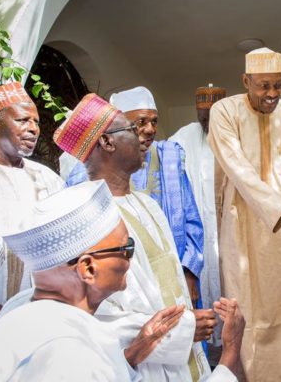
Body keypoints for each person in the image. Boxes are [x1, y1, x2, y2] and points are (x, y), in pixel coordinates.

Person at [0, 180, 246, 381]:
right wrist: (230, 354)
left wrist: (131, 357)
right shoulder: (72, 355)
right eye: (126, 248)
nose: (133, 259)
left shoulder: (17, 309)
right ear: (87, 268)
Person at [54, 93, 228, 381]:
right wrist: (181, 330)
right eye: (132, 129)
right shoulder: (84, 216)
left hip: (179, 356)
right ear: (107, 142)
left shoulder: (147, 205)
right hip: (137, 366)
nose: (145, 136)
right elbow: (96, 313)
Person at [208, 47, 281, 381]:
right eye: (262, 86)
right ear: (245, 81)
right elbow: (237, 170)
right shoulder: (224, 111)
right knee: (246, 311)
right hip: (242, 227)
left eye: (277, 86)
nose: (271, 94)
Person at [66, 86, 204, 308]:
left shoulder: (168, 158)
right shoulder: (83, 186)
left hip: (170, 268)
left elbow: (191, 218)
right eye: (138, 124)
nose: (149, 129)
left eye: (154, 121)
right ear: (108, 140)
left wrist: (188, 272)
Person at [0, 82, 63, 365]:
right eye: (22, 120)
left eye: (36, 121)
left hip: (42, 315)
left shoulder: (48, 179)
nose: (33, 128)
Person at [170, 83, 226, 351]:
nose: (205, 121)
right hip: (197, 230)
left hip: (228, 230)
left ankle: (231, 345)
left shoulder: (233, 134)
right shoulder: (183, 137)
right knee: (202, 285)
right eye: (201, 115)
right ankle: (209, 353)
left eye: (211, 115)